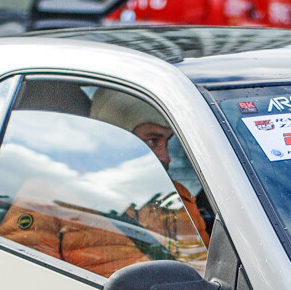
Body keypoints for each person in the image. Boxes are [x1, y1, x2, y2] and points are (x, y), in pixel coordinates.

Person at [89, 88, 212, 245]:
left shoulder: (177, 197)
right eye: (152, 141)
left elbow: (202, 264)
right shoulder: (63, 201)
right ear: (113, 139)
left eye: (167, 142)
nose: (166, 157)